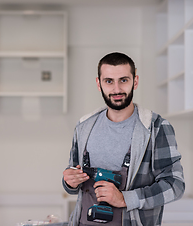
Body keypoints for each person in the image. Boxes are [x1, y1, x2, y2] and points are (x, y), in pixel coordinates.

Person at [62, 52, 185, 226]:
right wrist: (69, 181)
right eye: (109, 81)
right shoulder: (83, 127)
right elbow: (72, 178)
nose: (117, 89)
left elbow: (175, 185)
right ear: (99, 84)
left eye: (124, 80)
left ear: (135, 81)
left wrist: (126, 199)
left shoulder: (156, 128)